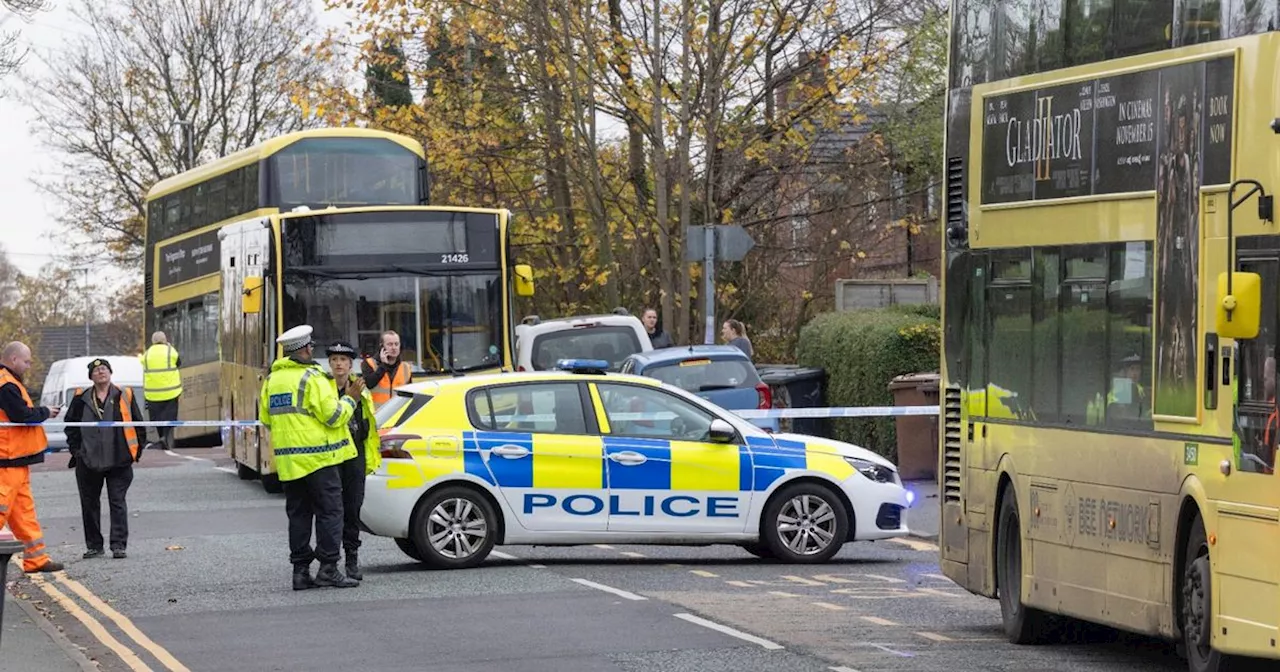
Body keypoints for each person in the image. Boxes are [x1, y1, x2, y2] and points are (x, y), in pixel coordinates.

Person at [259, 325, 363, 590]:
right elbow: (333, 416)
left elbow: (265, 420)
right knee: (331, 512)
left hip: (289, 463)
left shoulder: (272, 380)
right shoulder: (312, 378)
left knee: (299, 515)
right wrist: (350, 400)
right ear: (305, 349)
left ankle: (300, 572)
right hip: (319, 460)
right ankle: (328, 568)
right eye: (311, 347)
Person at [65, 358, 145, 559]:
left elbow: (138, 423)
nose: (101, 372)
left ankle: (118, 545)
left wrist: (136, 451)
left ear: (110, 373)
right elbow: (70, 426)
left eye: (104, 369)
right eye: (96, 370)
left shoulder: (124, 395)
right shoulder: (80, 398)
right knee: (89, 503)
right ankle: (94, 545)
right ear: (91, 376)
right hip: (88, 460)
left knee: (117, 501)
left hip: (119, 459)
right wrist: (77, 451)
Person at [0, 341, 64, 573]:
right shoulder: (6, 384)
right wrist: (46, 412)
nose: (29, 366)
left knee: (24, 514)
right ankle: (36, 560)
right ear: (14, 359)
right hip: (6, 462)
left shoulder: (10, 382)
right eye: (26, 361)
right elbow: (23, 415)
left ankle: (36, 559)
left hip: (16, 461)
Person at [325, 341, 381, 581]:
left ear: (350, 364)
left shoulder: (362, 389)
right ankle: (330, 562)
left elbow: (367, 425)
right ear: (329, 364)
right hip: (332, 457)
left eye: (343, 360)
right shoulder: (324, 390)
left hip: (355, 457)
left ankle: (352, 560)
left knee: (353, 509)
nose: (339, 364)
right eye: (335, 360)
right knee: (331, 512)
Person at [141, 331, 182, 452]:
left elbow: (143, 364)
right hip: (170, 392)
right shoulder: (170, 351)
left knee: (157, 418)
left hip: (152, 394)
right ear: (165, 340)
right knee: (169, 416)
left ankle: (161, 437)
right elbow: (179, 362)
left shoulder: (147, 354)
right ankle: (165, 436)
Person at [362, 331, 412, 407]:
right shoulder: (369, 363)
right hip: (377, 415)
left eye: (396, 344)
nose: (394, 348)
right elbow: (369, 384)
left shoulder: (406, 367)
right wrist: (383, 365)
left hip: (398, 414)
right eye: (390, 344)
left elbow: (409, 395)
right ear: (382, 347)